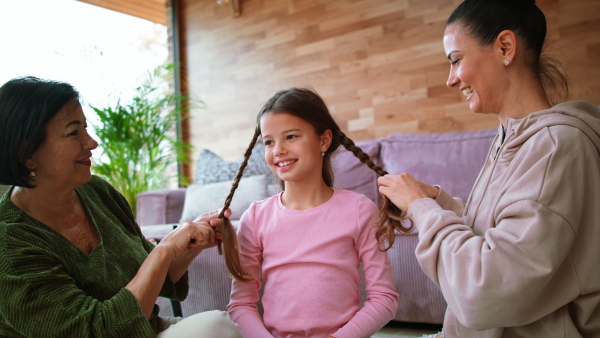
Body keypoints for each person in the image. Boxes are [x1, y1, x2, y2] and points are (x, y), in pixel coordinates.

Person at [376, 0, 600, 337]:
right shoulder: (511, 138)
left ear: (505, 47)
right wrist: (437, 200)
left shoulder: (556, 146)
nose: (451, 80)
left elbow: (484, 290)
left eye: (456, 60)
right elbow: (499, 233)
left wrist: (421, 209)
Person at [0, 76, 242, 338]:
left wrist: (188, 245)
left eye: (85, 128)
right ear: (26, 154)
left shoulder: (97, 191)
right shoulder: (9, 243)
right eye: (73, 132)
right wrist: (165, 249)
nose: (91, 143)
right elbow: (95, 331)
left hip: (144, 330)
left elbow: (150, 274)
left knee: (222, 327)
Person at [224, 87, 399, 337]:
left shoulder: (359, 209)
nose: (278, 150)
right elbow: (241, 303)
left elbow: (384, 298)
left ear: (324, 140)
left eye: (291, 136)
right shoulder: (255, 217)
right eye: (269, 142)